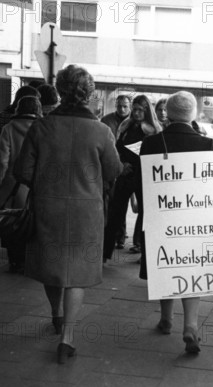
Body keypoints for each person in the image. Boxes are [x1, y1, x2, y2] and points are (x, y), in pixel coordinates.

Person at [14, 65, 122, 364]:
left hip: (49, 207)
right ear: (88, 94)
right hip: (87, 212)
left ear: (60, 90)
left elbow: (22, 171)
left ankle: (55, 314)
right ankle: (68, 338)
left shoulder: (42, 127)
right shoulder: (102, 131)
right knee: (77, 272)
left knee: (52, 264)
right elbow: (113, 171)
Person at [138, 91, 213, 353]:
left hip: (161, 216)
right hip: (195, 219)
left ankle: (166, 319)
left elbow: (141, 181)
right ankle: (191, 325)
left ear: (168, 113)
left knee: (166, 263)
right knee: (191, 266)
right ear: (193, 114)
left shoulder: (150, 144)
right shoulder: (207, 145)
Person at [103, 95, 162, 262]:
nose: (136, 113)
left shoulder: (154, 129)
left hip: (144, 175)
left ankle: (145, 254)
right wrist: (122, 163)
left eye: (140, 110)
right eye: (134, 109)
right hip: (127, 173)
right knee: (115, 212)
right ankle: (105, 252)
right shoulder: (126, 126)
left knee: (145, 215)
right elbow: (117, 148)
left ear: (146, 111)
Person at [0, 96, 43, 274]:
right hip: (35, 185)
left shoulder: (8, 129)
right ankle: (30, 260)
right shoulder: (43, 128)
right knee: (33, 223)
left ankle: (15, 260)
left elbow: (2, 161)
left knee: (12, 223)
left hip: (12, 185)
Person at [101, 94, 132, 249]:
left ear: (129, 106)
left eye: (125, 106)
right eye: (119, 106)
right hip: (111, 164)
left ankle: (120, 236)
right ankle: (111, 236)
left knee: (121, 203)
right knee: (111, 202)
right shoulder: (106, 121)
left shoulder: (134, 123)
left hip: (128, 167)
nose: (122, 109)